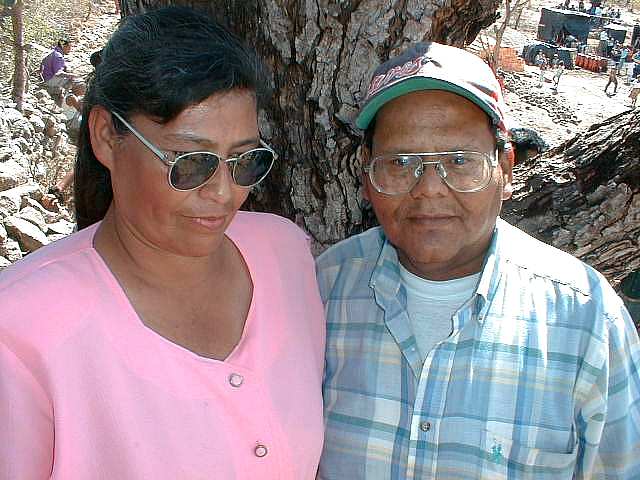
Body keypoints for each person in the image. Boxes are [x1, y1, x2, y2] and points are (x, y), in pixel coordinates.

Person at [0, 7, 325, 479]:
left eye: (244, 160)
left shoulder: (285, 254)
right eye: (190, 161)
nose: (223, 193)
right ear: (106, 137)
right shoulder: (19, 327)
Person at [317, 41, 640, 479]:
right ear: (367, 176)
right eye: (401, 162)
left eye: (459, 161)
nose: (429, 188)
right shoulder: (324, 290)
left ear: (505, 168)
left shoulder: (586, 319)